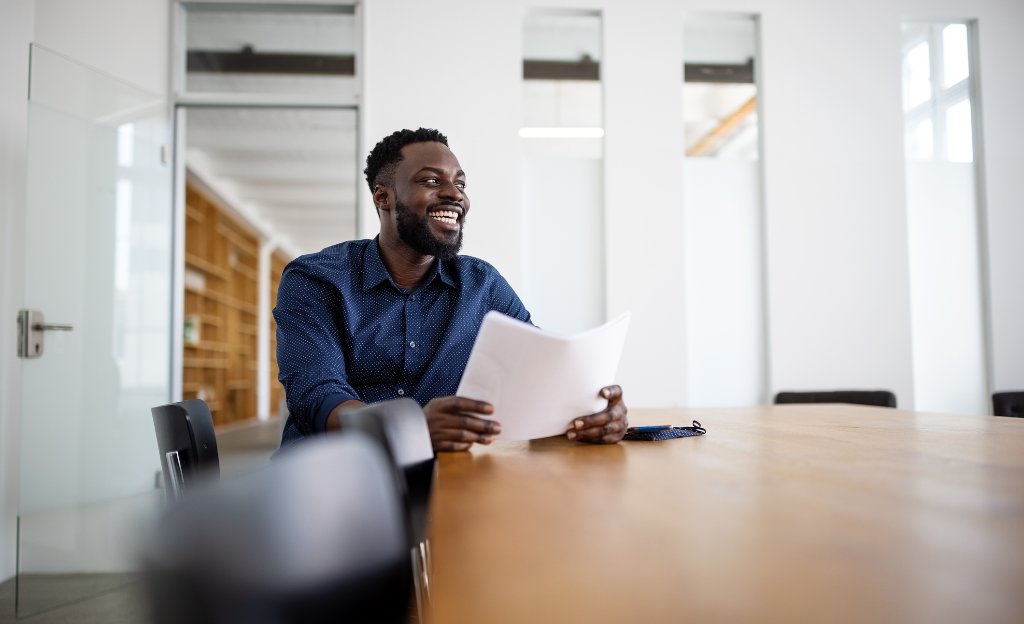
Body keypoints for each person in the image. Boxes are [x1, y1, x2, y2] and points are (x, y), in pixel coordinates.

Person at [274, 128, 628, 452]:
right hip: (333, 479)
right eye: (431, 180)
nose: (454, 195)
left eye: (461, 184)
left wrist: (591, 415)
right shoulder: (316, 279)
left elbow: (537, 375)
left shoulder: (482, 285)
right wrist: (410, 429)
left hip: (447, 478)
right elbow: (317, 396)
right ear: (383, 197)